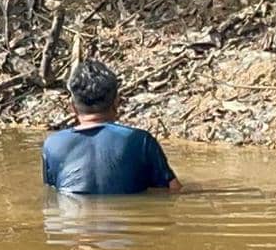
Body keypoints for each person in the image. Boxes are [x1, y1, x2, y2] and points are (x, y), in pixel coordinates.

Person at [42, 59, 181, 195]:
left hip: (73, 216)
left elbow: (51, 192)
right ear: (116, 102)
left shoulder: (53, 144)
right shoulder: (140, 140)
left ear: (72, 107)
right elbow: (173, 190)